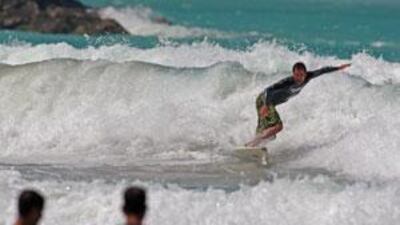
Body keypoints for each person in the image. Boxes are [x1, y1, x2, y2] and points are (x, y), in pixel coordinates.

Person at [246, 62, 351, 147]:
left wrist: (338, 68)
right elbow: (269, 90)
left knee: (270, 134)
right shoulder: (287, 82)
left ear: (305, 73)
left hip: (267, 103)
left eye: (301, 75)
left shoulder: (309, 76)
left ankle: (251, 145)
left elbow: (322, 70)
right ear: (293, 74)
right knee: (278, 126)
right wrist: (265, 105)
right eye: (296, 75)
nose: (299, 78)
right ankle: (254, 144)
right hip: (265, 100)